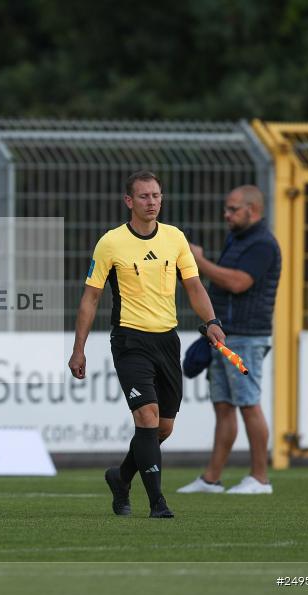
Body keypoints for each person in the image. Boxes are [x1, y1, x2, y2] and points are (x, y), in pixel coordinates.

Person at [67, 170, 225, 518]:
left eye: (156, 196)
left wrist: (211, 321)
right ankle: (157, 503)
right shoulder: (110, 243)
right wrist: (79, 349)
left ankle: (121, 477)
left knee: (162, 427)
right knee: (147, 417)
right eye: (143, 196)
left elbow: (194, 287)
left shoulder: (175, 238)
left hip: (167, 340)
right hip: (129, 340)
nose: (151, 202)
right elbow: (90, 299)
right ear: (129, 201)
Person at [177, 186, 281, 495]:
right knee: (223, 406)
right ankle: (212, 479)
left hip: (247, 338)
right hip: (225, 335)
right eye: (227, 208)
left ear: (253, 210)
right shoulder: (238, 239)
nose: (227, 214)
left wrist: (199, 262)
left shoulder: (263, 244)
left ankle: (260, 478)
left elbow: (238, 282)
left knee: (249, 404)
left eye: (233, 209)